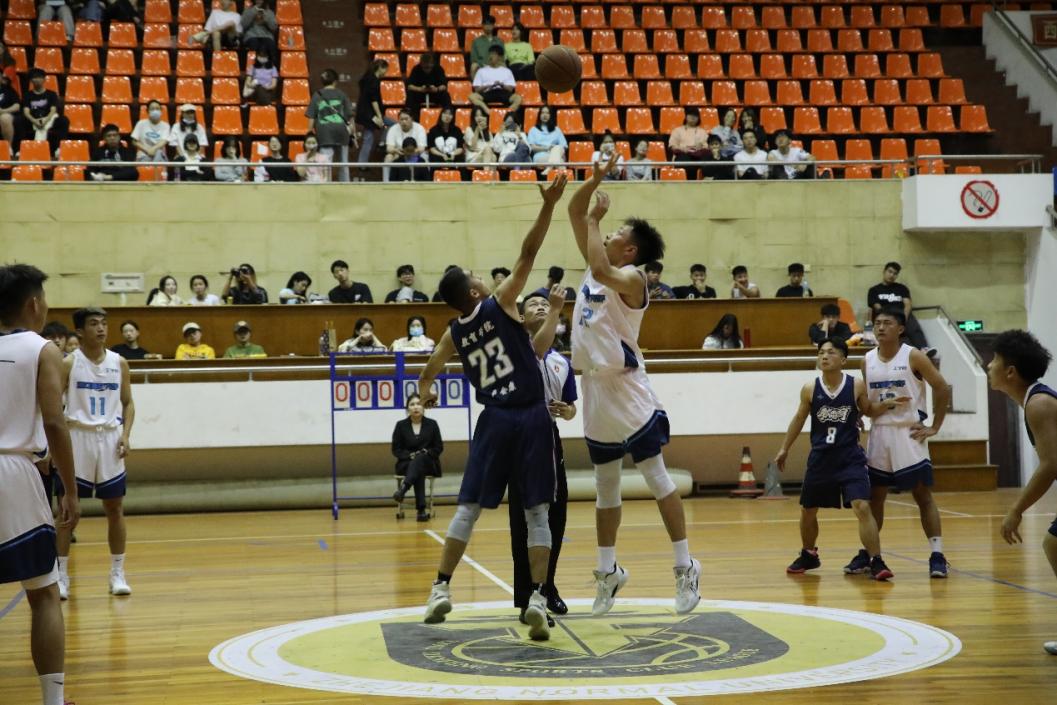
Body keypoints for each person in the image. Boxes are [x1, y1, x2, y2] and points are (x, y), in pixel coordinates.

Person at [418, 174, 568, 642]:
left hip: (493, 421)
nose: (483, 276)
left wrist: (425, 388)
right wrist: (548, 206)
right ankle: (538, 597)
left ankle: (440, 588)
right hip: (531, 417)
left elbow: (432, 364)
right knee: (537, 513)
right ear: (475, 292)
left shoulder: (454, 332)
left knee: (467, 509)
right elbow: (529, 252)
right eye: (476, 275)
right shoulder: (501, 303)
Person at [566, 155, 701, 616]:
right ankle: (608, 572)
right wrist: (595, 178)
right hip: (594, 390)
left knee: (656, 477)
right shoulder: (595, 262)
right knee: (605, 487)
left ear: (630, 249)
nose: (608, 234)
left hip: (627, 389)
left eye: (616, 232)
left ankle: (685, 566)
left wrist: (594, 220)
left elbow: (602, 267)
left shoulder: (631, 278)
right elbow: (574, 211)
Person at [0, 263, 80, 705]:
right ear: (34, 304)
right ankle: (53, 699)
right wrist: (70, 488)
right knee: (44, 593)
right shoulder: (42, 348)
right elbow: (54, 421)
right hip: (13, 473)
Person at [774, 338, 895, 580]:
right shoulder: (810, 388)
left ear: (843, 360)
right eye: (821, 352)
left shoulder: (855, 385)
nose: (824, 356)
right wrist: (784, 448)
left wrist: (884, 406)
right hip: (821, 458)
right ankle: (809, 554)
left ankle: (876, 560)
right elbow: (798, 419)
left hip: (849, 457)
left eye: (830, 352)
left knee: (862, 506)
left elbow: (868, 409)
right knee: (808, 510)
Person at [845, 308, 952, 578]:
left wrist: (935, 426)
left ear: (901, 328)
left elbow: (942, 387)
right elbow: (868, 402)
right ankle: (869, 553)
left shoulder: (913, 356)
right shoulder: (867, 360)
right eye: (877, 323)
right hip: (880, 432)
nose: (880, 327)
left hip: (908, 432)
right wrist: (859, 415)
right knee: (875, 497)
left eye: (887, 323)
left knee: (922, 495)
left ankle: (937, 554)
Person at [55, 307, 134, 601]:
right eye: (93, 324)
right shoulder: (68, 363)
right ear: (79, 331)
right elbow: (51, 404)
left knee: (115, 508)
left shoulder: (119, 362)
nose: (100, 328)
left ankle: (117, 573)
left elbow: (128, 403)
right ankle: (61, 576)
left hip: (110, 438)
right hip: (77, 437)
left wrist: (126, 435)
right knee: (67, 511)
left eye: (103, 323)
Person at [509, 286, 575, 623]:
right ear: (521, 317)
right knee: (526, 522)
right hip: (521, 438)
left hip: (550, 439)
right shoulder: (516, 350)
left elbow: (572, 408)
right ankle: (527, 598)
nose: (540, 306)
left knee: (556, 518)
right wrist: (557, 309)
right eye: (533, 304)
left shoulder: (562, 362)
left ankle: (547, 586)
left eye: (545, 304)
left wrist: (566, 411)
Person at [989, 330, 1057, 655]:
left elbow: (1050, 465)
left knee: (1054, 544)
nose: (989, 366)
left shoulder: (1039, 404)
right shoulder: (1035, 400)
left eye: (994, 360)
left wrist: (1016, 510)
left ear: (1011, 372)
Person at [392, 394, 444, 522]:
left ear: (424, 407)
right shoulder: (400, 425)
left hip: (429, 462)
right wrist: (409, 455)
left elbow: (438, 447)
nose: (416, 407)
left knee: (420, 460)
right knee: (417, 467)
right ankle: (421, 511)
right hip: (407, 463)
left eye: (419, 404)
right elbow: (396, 449)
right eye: (412, 404)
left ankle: (403, 489)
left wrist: (426, 453)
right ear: (407, 408)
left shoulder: (432, 424)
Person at [867, 262, 930, 351]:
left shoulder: (901, 288)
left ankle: (924, 349)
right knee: (892, 328)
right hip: (885, 316)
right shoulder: (874, 290)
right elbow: (877, 307)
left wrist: (903, 319)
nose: (892, 275)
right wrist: (890, 318)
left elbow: (907, 304)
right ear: (884, 272)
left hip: (901, 315)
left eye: (895, 273)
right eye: (890, 272)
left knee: (911, 323)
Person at [306, 68, 355, 182]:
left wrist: (309, 134)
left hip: (324, 133)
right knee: (344, 164)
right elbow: (350, 116)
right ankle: (346, 187)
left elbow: (311, 117)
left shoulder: (317, 95)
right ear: (335, 81)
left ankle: (326, 186)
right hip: (342, 132)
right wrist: (353, 134)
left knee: (326, 164)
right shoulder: (342, 94)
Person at [354, 59, 392, 173]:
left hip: (365, 113)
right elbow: (374, 100)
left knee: (368, 139)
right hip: (370, 114)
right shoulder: (374, 81)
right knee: (392, 125)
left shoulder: (367, 78)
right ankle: (381, 144)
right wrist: (379, 116)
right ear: (380, 68)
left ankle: (362, 163)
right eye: (385, 69)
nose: (386, 72)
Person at [19, 69, 69, 157]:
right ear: (31, 80)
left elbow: (53, 110)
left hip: (49, 119)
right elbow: (26, 112)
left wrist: (46, 120)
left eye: (39, 77)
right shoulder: (27, 95)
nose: (37, 80)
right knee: (19, 120)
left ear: (44, 79)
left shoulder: (52, 94)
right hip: (33, 120)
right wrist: (34, 121)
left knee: (64, 120)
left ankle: (59, 148)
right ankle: (21, 149)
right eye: (34, 78)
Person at [470, 45, 522, 116]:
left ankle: (507, 113)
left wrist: (501, 84)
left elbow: (510, 89)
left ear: (499, 57)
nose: (491, 56)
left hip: (502, 92)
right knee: (472, 96)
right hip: (488, 92)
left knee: (518, 98)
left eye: (494, 54)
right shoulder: (481, 71)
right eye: (490, 54)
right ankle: (487, 111)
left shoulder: (507, 71)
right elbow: (477, 90)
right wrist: (487, 86)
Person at [383, 110, 427, 181]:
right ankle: (386, 183)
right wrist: (396, 150)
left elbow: (421, 148)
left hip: (415, 153)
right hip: (398, 154)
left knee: (425, 156)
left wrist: (410, 153)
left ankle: (426, 182)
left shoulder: (419, 128)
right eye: (401, 119)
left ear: (412, 119)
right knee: (388, 157)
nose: (404, 121)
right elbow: (389, 148)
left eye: (406, 119)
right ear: (398, 120)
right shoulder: (393, 129)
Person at [406, 51, 450, 119]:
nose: (427, 69)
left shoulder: (439, 69)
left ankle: (447, 116)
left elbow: (444, 86)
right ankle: (410, 117)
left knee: (445, 95)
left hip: (435, 94)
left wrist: (436, 89)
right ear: (421, 64)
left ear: (433, 64)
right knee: (410, 94)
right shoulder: (416, 69)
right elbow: (409, 86)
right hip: (420, 94)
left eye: (429, 67)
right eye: (425, 67)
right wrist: (420, 89)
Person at [527, 106, 567, 175]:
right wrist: (547, 148)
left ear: (550, 115)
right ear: (539, 115)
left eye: (547, 113)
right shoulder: (533, 130)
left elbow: (564, 146)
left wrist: (554, 149)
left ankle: (549, 168)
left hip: (555, 153)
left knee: (557, 147)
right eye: (542, 113)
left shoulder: (557, 130)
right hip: (540, 156)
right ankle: (563, 176)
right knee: (560, 162)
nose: (545, 115)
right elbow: (532, 147)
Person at [240, 0, 279, 66]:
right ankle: (254, 67)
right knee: (254, 43)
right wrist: (253, 12)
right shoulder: (248, 11)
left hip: (267, 36)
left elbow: (274, 28)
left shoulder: (270, 12)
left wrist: (265, 19)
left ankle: (271, 67)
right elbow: (243, 25)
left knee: (270, 44)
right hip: (251, 36)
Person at [0, 70, 20, 146]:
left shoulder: (8, 90)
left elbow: (17, 106)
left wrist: (3, 111)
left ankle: (8, 147)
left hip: (5, 113)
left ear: (1, 78)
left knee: (5, 118)